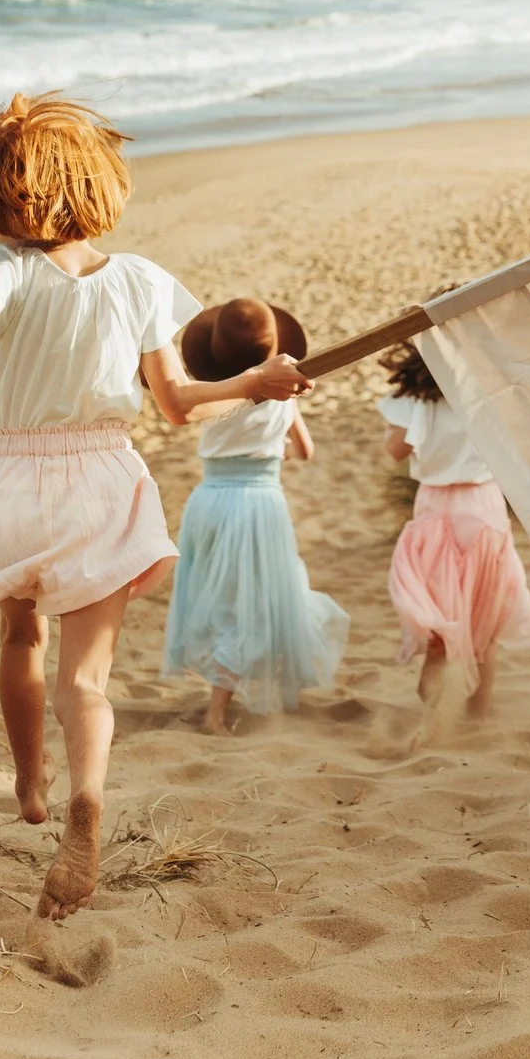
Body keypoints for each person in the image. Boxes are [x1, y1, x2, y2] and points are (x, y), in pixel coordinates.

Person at [0, 93, 307, 921]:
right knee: (86, 679)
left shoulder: (10, 269)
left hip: (20, 479)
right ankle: (87, 796)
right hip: (104, 481)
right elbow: (178, 403)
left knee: (22, 633)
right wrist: (253, 384)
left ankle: (30, 780)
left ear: (10, 201)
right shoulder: (142, 281)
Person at [161, 299, 350, 734]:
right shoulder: (282, 399)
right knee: (254, 602)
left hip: (209, 501)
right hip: (259, 503)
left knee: (220, 598)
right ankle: (215, 713)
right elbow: (305, 450)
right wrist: (275, 448)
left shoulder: (215, 396)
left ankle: (217, 700)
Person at [377, 340, 530, 717]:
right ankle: (478, 717)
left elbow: (395, 449)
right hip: (482, 508)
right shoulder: (492, 389)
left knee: (440, 614)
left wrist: (407, 417)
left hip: (434, 508)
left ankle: (434, 711)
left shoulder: (417, 396)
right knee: (485, 623)